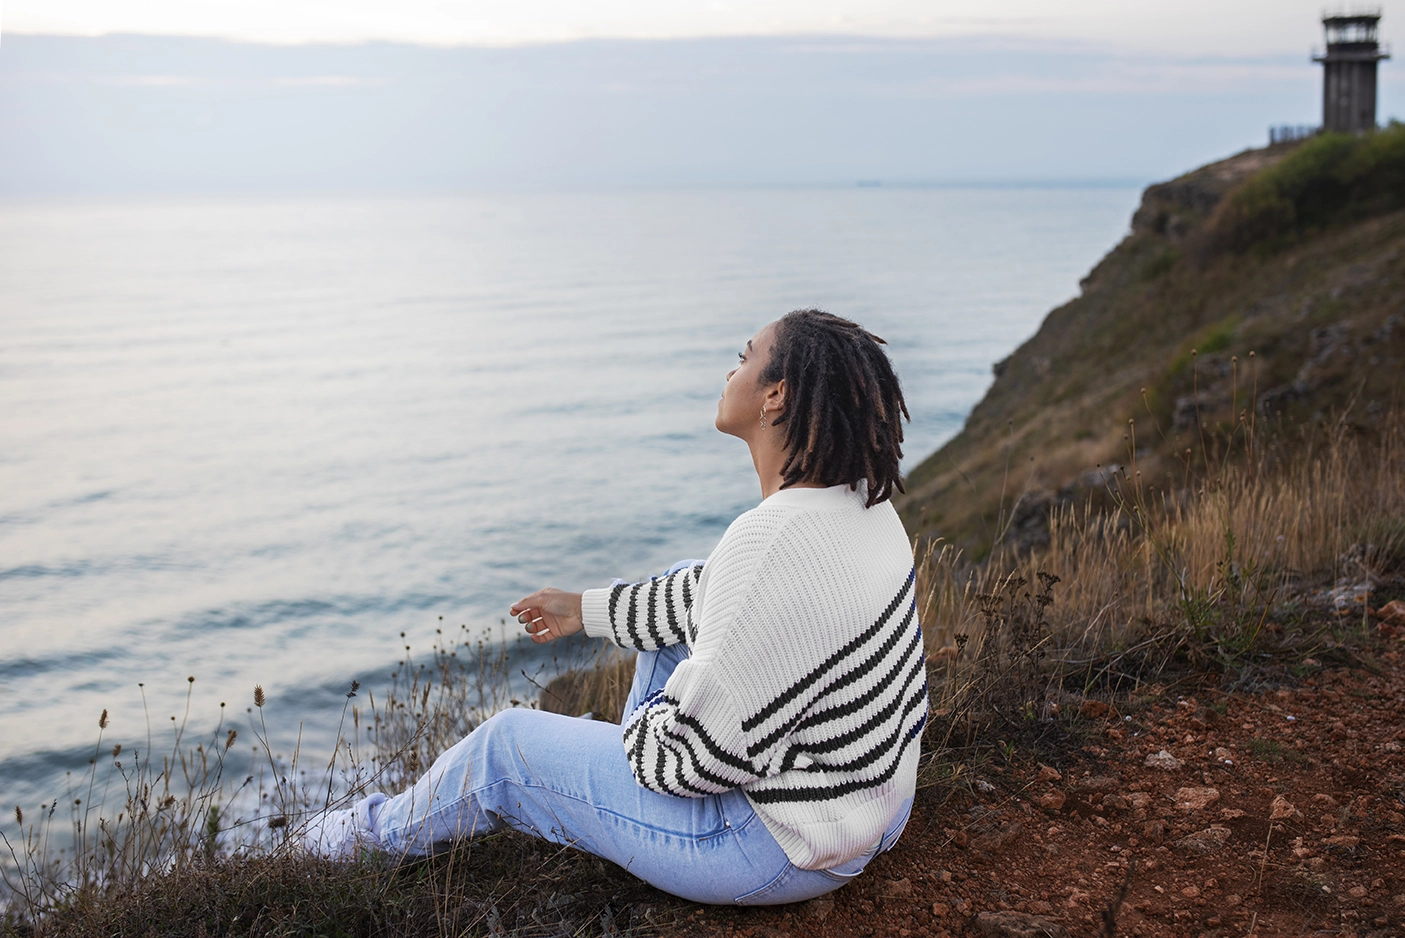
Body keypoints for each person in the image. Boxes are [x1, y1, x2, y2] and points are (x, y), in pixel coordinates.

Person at [302, 309, 928, 906]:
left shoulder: (767, 544)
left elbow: (687, 762)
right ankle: (616, 772)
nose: (730, 370)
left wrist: (629, 740)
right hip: (869, 810)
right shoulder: (862, 507)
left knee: (507, 747)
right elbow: (711, 593)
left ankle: (362, 841)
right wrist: (588, 610)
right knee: (690, 586)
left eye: (744, 358)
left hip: (775, 851)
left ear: (776, 396)